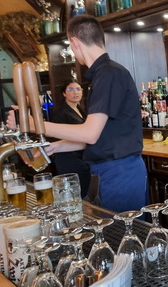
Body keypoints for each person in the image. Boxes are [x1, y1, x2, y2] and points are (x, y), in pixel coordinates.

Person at [8, 15, 148, 212]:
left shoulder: (108, 73)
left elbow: (89, 134)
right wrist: (55, 147)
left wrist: (32, 124)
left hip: (119, 173)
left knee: (121, 230)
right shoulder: (106, 73)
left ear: (74, 42)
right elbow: (101, 137)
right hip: (113, 171)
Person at [49, 80, 91, 198]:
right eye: (70, 89)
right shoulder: (60, 112)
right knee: (75, 193)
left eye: (78, 89)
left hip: (80, 156)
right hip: (67, 157)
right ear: (64, 93)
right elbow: (56, 136)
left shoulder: (80, 109)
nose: (75, 92)